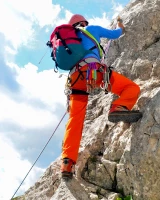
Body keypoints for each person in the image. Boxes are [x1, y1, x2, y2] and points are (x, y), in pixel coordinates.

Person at [60, 14, 142, 178]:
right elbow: (116, 34)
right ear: (83, 23)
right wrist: (120, 25)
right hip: (93, 72)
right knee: (131, 88)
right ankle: (118, 107)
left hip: (75, 81)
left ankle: (66, 165)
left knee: (74, 122)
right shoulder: (91, 29)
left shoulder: (66, 42)